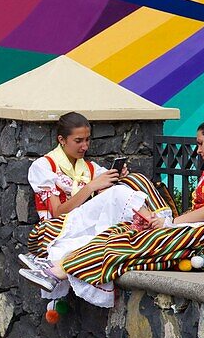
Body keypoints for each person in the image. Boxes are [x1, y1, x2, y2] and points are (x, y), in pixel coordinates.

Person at [21, 118, 204, 306]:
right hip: (202, 232)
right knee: (121, 230)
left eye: (201, 143)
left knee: (130, 242)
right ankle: (54, 265)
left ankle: (57, 271)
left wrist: (172, 223)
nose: (198, 150)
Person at [19, 113, 173, 300]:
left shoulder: (91, 168)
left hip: (86, 222)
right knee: (118, 193)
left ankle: (157, 223)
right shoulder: (44, 166)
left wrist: (117, 178)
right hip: (56, 228)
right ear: (62, 140)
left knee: (132, 180)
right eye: (78, 141)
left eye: (87, 140)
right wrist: (92, 187)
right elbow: (56, 212)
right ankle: (164, 225)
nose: (85, 146)